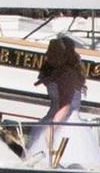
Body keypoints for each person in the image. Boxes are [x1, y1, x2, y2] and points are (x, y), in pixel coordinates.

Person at [29, 33, 89, 161]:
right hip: (54, 116)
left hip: (66, 121)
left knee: (62, 157)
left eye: (52, 53)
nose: (48, 56)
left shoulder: (68, 74)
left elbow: (65, 106)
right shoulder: (56, 72)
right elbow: (55, 104)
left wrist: (51, 128)